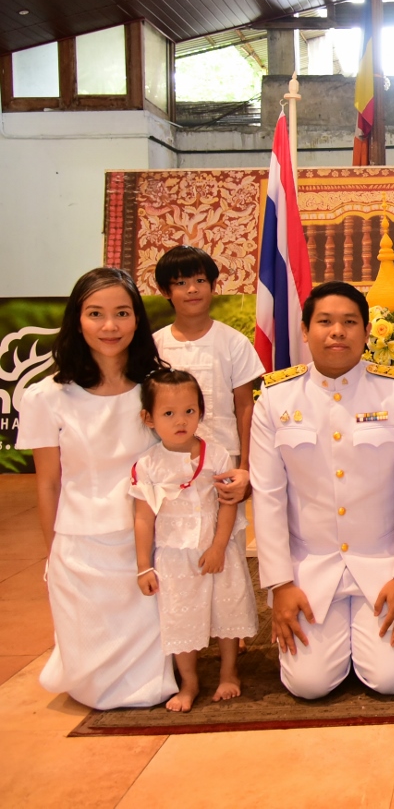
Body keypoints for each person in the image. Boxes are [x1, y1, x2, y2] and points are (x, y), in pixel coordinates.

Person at [250, 281, 394, 699]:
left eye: (350, 322)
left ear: (367, 333)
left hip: (383, 566)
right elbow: (268, 496)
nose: (337, 332)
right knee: (308, 685)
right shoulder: (275, 399)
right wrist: (280, 584)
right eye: (326, 322)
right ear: (305, 329)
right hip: (309, 570)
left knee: (392, 680)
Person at [17, 268, 180, 709]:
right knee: (92, 686)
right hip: (82, 544)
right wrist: (55, 554)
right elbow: (49, 482)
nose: (110, 326)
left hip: (147, 542)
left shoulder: (157, 388)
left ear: (137, 320)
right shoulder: (45, 397)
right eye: (96, 314)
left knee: (155, 681)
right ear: (77, 320)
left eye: (122, 313)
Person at [151, 244, 264, 651]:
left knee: (226, 547)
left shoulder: (233, 342)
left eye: (200, 280)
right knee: (177, 547)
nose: (192, 290)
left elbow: (245, 406)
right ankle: (183, 635)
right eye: (181, 283)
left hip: (222, 462)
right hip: (171, 465)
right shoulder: (155, 346)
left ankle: (229, 634)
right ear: (165, 290)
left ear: (214, 286)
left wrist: (247, 466)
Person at [131, 370, 258, 712]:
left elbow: (228, 503)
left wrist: (218, 546)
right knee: (180, 619)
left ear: (201, 412)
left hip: (217, 552)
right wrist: (144, 566)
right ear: (149, 418)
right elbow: (143, 518)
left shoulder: (215, 455)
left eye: (189, 411)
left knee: (225, 611)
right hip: (173, 558)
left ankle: (229, 671)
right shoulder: (148, 465)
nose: (181, 421)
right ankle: (188, 680)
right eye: (168, 414)